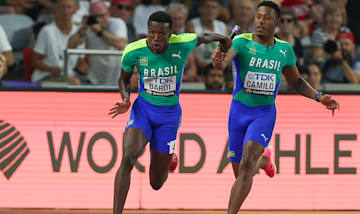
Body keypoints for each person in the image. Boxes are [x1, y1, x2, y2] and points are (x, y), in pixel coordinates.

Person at [211, 2, 340, 213]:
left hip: (264, 113)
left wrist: (318, 97)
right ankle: (263, 161)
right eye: (258, 17)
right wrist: (218, 59)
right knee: (242, 172)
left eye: (267, 18)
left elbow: (296, 82)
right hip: (238, 112)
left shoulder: (285, 50)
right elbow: (222, 63)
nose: (260, 21)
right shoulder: (242, 42)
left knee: (246, 164)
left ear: (277, 23)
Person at [108, 11, 232, 214]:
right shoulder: (133, 50)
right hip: (143, 111)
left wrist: (224, 44)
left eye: (161, 34)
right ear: (146, 32)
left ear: (171, 33)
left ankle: (169, 159)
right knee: (129, 156)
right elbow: (123, 78)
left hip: (169, 117)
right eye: (151, 33)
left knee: (156, 183)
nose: (156, 39)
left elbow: (209, 36)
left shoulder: (183, 43)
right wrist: (125, 98)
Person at [69, 1, 127, 85]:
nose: (101, 19)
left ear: (108, 13)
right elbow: (70, 45)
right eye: (97, 16)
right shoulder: (88, 27)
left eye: (103, 15)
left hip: (116, 79)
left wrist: (100, 32)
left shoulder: (117, 23)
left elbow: (121, 44)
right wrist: (83, 28)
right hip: (95, 80)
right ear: (90, 15)